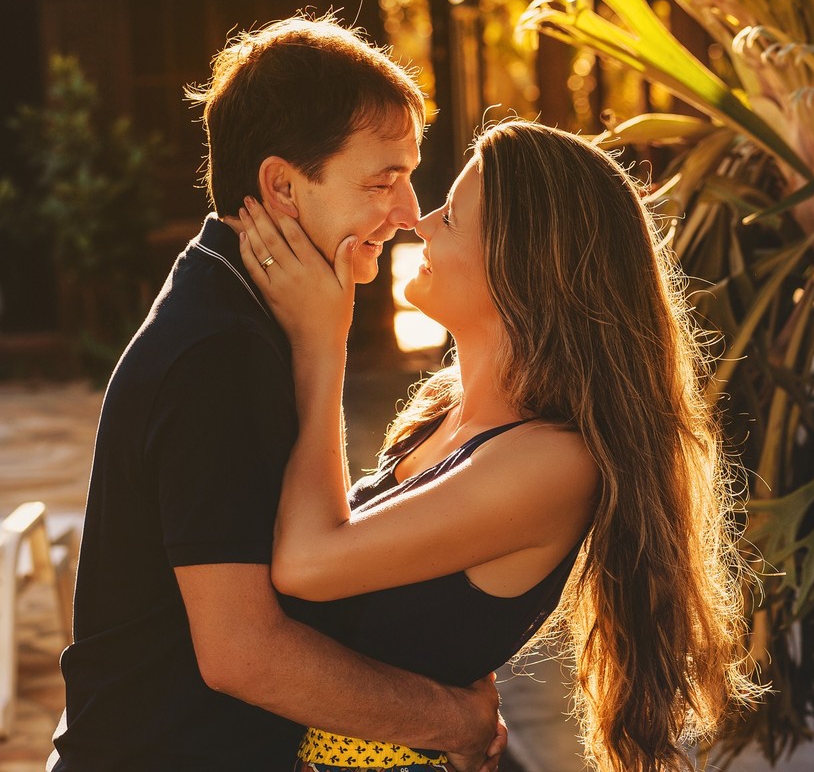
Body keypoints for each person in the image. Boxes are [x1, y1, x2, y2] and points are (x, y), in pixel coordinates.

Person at [231, 119, 761, 772]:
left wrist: (322, 340)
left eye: (451, 217)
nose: (420, 225)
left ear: (520, 264)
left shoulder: (550, 462)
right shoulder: (439, 413)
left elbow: (308, 563)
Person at [50, 16, 504, 772]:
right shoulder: (217, 352)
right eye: (381, 180)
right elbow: (241, 651)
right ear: (282, 187)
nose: (408, 213)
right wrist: (449, 720)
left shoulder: (247, 311)